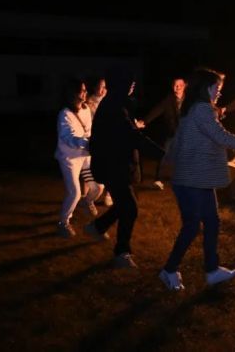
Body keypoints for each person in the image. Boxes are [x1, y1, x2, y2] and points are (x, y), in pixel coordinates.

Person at [158, 68, 235, 291]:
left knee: (211, 221)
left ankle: (212, 270)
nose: (219, 92)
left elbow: (180, 141)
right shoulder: (202, 110)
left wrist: (169, 162)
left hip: (195, 178)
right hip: (191, 180)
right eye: (216, 88)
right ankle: (169, 270)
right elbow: (223, 137)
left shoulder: (193, 108)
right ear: (206, 88)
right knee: (193, 226)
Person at [86, 68, 163, 269]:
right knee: (130, 208)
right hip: (113, 165)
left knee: (125, 204)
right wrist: (163, 155)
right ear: (121, 83)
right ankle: (122, 252)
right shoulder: (114, 107)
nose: (133, 84)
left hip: (119, 164)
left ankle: (98, 226)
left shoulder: (118, 103)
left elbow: (128, 134)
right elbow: (132, 136)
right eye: (130, 81)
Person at [54, 78, 103, 237]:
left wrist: (93, 142)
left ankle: (86, 201)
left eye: (85, 90)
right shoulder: (65, 114)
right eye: (82, 90)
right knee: (74, 193)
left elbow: (88, 131)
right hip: (69, 159)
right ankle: (63, 222)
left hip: (84, 156)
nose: (85, 93)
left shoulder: (86, 109)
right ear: (73, 93)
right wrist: (87, 143)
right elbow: (68, 137)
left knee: (98, 187)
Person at [135, 76, 186, 190]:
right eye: (175, 85)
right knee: (164, 153)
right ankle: (158, 180)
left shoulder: (189, 100)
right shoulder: (168, 100)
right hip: (172, 133)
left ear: (184, 86)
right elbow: (157, 110)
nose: (177, 87)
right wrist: (144, 121)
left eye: (179, 85)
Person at [85, 76, 112, 207]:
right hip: (95, 140)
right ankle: (85, 195)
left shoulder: (110, 102)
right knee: (90, 168)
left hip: (108, 140)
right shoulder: (88, 104)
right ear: (95, 87)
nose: (102, 90)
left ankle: (108, 195)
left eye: (105, 87)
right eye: (100, 87)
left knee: (110, 168)